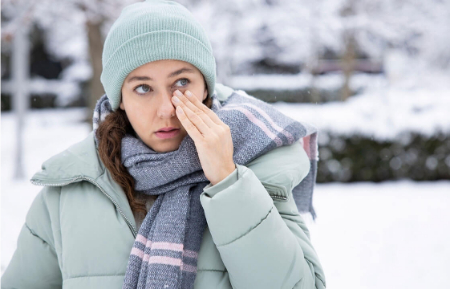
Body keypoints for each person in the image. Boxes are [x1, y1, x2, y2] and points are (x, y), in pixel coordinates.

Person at [1, 0, 326, 288]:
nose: (167, 109)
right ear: (120, 100)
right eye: (143, 88)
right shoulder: (69, 190)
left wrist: (228, 180)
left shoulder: (258, 165)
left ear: (205, 88)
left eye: (182, 82)